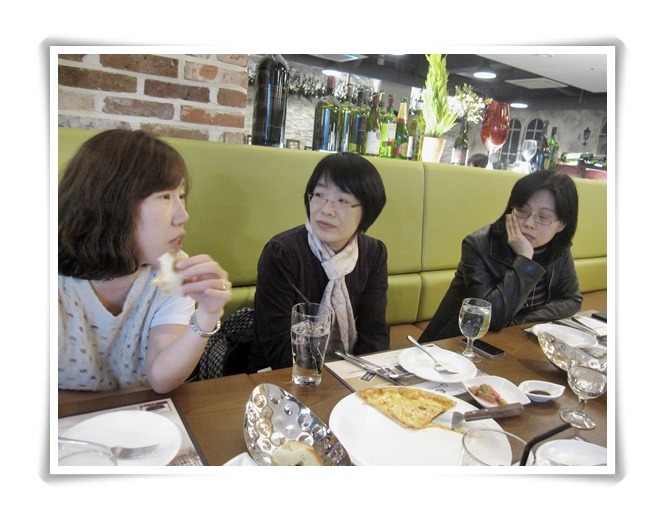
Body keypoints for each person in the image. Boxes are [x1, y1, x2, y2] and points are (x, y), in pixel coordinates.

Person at [58, 129, 232, 393]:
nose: (183, 215)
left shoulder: (172, 270)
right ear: (112, 202)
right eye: (165, 196)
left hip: (137, 414)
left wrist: (208, 313)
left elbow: (161, 379)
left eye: (181, 196)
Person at [247, 153, 389, 372]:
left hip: (348, 370)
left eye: (343, 201)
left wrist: (365, 378)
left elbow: (374, 333)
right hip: (280, 373)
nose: (326, 210)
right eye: (320, 195)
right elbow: (277, 347)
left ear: (367, 210)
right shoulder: (282, 253)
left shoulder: (373, 253)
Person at [418, 170, 581, 342]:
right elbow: (491, 318)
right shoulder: (478, 245)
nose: (528, 223)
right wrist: (525, 260)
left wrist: (521, 320)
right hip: (458, 342)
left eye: (543, 217)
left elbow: (572, 300)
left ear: (562, 224)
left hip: (517, 339)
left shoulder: (559, 249)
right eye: (522, 210)